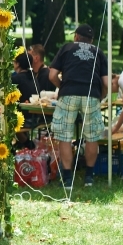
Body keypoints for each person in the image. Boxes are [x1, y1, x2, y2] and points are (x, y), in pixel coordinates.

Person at [49, 24, 109, 189]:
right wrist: (101, 95)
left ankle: (68, 178)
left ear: (76, 37)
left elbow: (52, 74)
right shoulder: (99, 52)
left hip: (68, 93)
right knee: (92, 136)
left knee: (64, 136)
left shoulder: (67, 48)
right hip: (91, 95)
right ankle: (89, 176)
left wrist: (62, 87)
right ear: (92, 40)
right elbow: (105, 82)